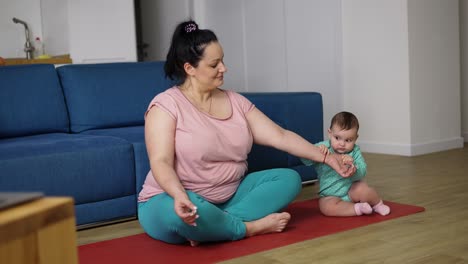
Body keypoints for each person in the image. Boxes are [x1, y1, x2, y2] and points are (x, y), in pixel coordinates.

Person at [137, 20, 355, 246]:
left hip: (230, 198)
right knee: (186, 211)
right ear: (189, 68)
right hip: (172, 198)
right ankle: (248, 228)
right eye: (214, 64)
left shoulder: (236, 102)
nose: (224, 68)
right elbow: (160, 161)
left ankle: (214, 227)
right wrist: (179, 196)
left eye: (223, 60)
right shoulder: (166, 105)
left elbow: (280, 136)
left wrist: (329, 158)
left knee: (289, 179)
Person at [301, 111, 390, 217]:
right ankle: (358, 208)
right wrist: (316, 152)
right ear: (330, 133)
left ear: (355, 138)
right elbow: (304, 159)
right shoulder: (323, 148)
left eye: (348, 140)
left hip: (351, 190)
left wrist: (353, 166)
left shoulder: (355, 151)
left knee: (364, 190)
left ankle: (377, 204)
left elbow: (363, 171)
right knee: (327, 208)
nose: (342, 144)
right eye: (337, 138)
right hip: (329, 194)